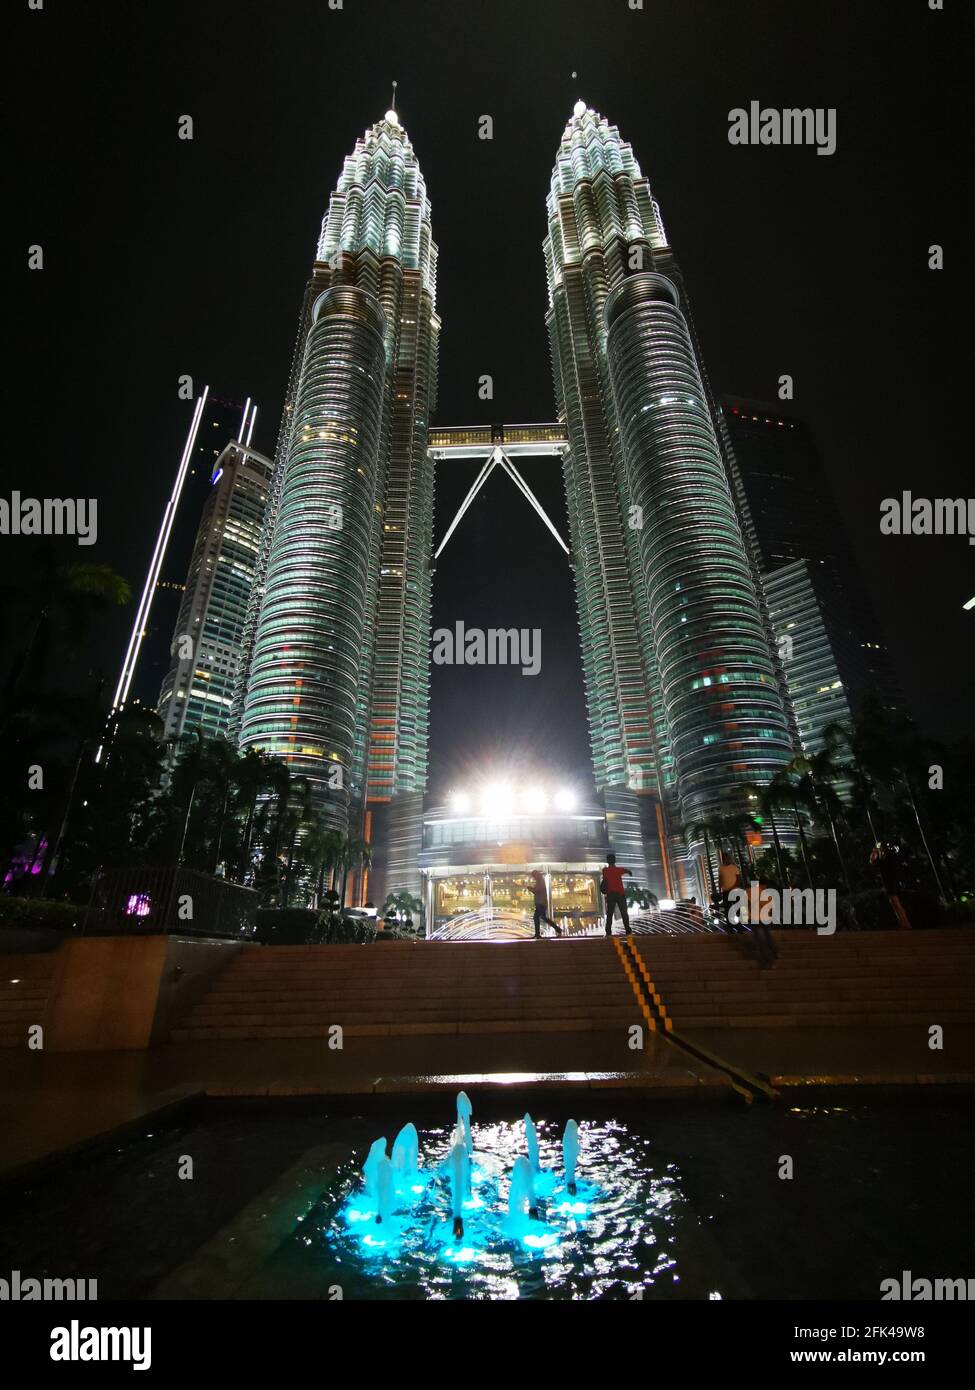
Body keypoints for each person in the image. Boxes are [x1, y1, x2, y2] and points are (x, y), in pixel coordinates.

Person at [600, 853, 632, 936]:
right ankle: (628, 930)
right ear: (615, 860)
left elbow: (605, 879)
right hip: (620, 894)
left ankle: (608, 931)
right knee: (624, 913)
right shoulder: (619, 870)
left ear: (607, 861)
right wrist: (629, 872)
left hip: (611, 894)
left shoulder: (605, 870)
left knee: (610, 914)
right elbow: (626, 871)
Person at [529, 868, 562, 938]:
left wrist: (530, 888)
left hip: (540, 903)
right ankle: (558, 929)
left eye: (534, 876)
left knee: (536, 917)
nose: (533, 878)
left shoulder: (540, 881)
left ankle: (537, 934)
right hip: (541, 903)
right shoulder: (540, 880)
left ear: (536, 875)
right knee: (544, 918)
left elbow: (537, 890)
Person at [717, 851, 742, 933]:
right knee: (728, 910)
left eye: (727, 858)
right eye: (724, 858)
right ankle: (730, 928)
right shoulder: (721, 868)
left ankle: (739, 927)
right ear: (723, 859)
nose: (726, 859)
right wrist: (719, 889)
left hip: (734, 891)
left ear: (729, 859)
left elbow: (738, 879)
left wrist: (733, 887)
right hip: (725, 892)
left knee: (737, 909)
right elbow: (720, 880)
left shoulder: (735, 868)